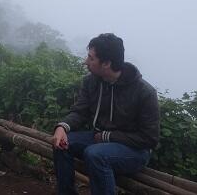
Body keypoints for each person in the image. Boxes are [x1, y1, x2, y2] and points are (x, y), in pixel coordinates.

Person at [52, 33, 159, 195]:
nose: (85, 62)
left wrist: (107, 137)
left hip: (134, 151)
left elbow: (149, 139)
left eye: (91, 58)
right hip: (98, 139)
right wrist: (62, 127)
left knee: (95, 154)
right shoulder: (91, 82)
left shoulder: (144, 92)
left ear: (107, 63)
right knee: (61, 144)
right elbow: (80, 111)